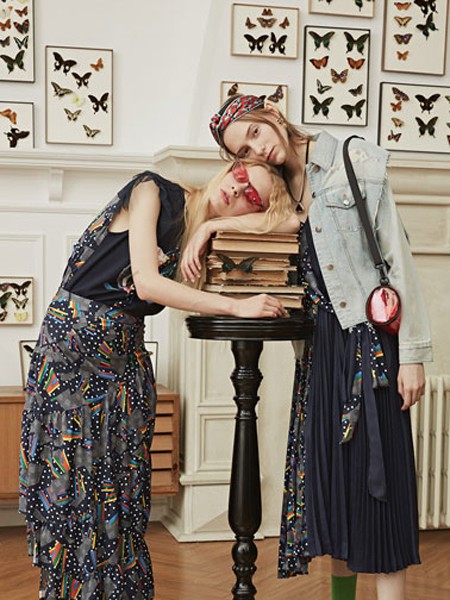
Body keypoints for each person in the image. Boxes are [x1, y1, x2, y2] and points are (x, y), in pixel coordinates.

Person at [19, 160, 298, 600]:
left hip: (123, 362)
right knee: (74, 491)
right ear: (230, 166)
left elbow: (297, 219)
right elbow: (146, 284)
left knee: (120, 494)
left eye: (252, 197)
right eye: (241, 175)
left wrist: (213, 226)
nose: (238, 189)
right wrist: (236, 305)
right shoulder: (151, 190)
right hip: (72, 362)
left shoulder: (201, 238)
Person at [204, 95, 433, 600]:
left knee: (382, 496)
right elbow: (266, 229)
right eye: (244, 151)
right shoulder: (281, 190)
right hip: (320, 356)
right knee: (336, 497)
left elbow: (398, 257)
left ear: (273, 114)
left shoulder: (354, 160)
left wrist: (413, 355)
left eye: (255, 134)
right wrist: (210, 225)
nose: (258, 151)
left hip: (370, 347)